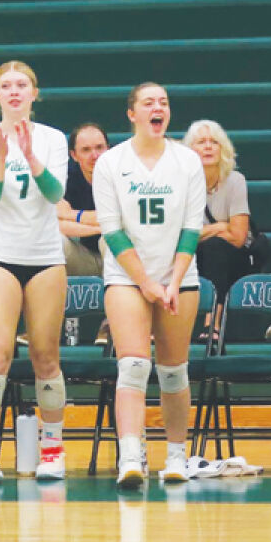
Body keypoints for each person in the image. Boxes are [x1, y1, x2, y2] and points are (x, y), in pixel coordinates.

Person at [94, 82, 203, 487]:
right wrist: (145, 283)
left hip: (178, 277)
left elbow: (192, 229)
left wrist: (172, 282)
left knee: (174, 372)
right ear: (132, 114)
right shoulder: (111, 162)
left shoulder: (187, 161)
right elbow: (112, 231)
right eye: (148, 103)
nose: (158, 108)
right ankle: (131, 457)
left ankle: (177, 456)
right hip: (127, 276)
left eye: (164, 103)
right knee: (134, 366)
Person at [0, 60, 69, 484]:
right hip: (0, 256)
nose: (13, 91)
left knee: (46, 355)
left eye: (21, 84)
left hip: (45, 256)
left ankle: (52, 448)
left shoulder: (53, 139)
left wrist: (28, 155)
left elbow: (56, 193)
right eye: (5, 85)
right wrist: (3, 155)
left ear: (33, 93)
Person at [185, 120, 254, 342]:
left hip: (235, 258)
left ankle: (212, 323)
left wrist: (201, 233)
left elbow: (238, 237)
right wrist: (221, 226)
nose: (208, 146)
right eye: (201, 142)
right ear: (190, 151)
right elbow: (178, 236)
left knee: (215, 248)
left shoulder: (235, 181)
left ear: (222, 148)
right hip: (194, 256)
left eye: (214, 142)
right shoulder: (182, 184)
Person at [57, 123, 111, 345]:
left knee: (111, 240)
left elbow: (124, 224)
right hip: (85, 258)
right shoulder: (65, 179)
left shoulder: (121, 175)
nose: (94, 155)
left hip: (118, 258)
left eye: (100, 147)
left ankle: (112, 324)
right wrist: (103, 224)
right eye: (86, 150)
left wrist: (75, 215)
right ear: (74, 155)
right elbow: (58, 224)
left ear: (109, 148)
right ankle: (45, 325)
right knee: (55, 242)